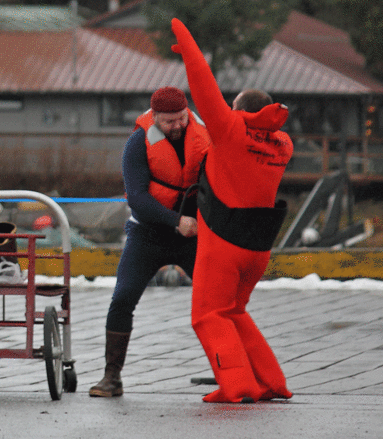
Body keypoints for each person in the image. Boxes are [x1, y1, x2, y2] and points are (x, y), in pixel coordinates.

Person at [170, 17, 293, 403]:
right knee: (235, 312)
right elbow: (262, 126)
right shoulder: (282, 144)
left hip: (223, 242)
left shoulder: (230, 130)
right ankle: (271, 382)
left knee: (208, 315)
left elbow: (204, 87)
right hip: (258, 247)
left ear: (237, 110)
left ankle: (237, 387)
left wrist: (189, 49)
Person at [89, 86, 212, 398]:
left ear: (188, 113)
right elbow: (138, 199)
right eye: (168, 122)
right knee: (122, 299)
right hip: (147, 234)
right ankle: (111, 376)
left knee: (217, 302)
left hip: (195, 236)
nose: (177, 126)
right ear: (154, 117)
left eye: (181, 119)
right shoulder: (137, 143)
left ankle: (230, 369)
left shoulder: (205, 137)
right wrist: (176, 221)